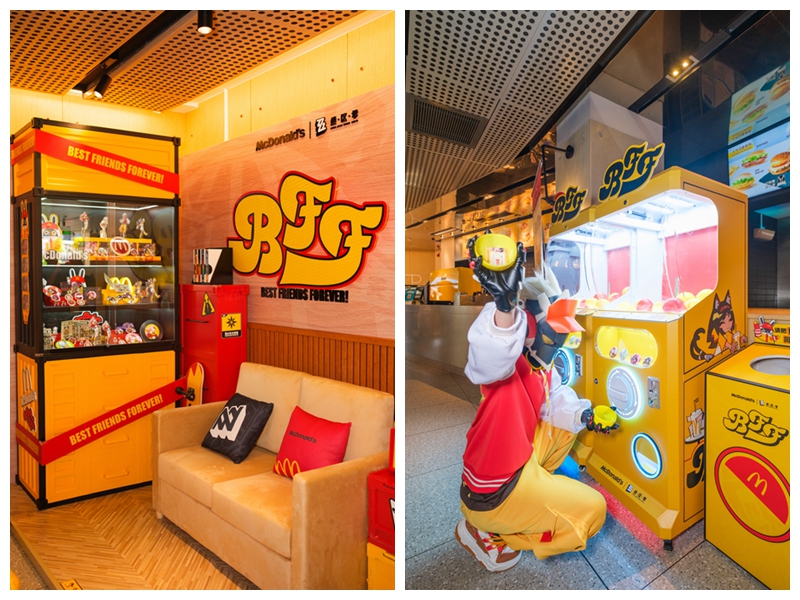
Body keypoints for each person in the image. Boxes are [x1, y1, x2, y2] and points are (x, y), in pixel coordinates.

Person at [455, 237, 615, 572]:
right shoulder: (504, 366)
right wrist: (504, 308)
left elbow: (556, 402)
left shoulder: (540, 369)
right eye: (550, 329)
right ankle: (493, 532)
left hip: (513, 471)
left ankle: (525, 504)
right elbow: (488, 355)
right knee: (593, 510)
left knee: (562, 427)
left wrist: (586, 415)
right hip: (493, 492)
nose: (556, 339)